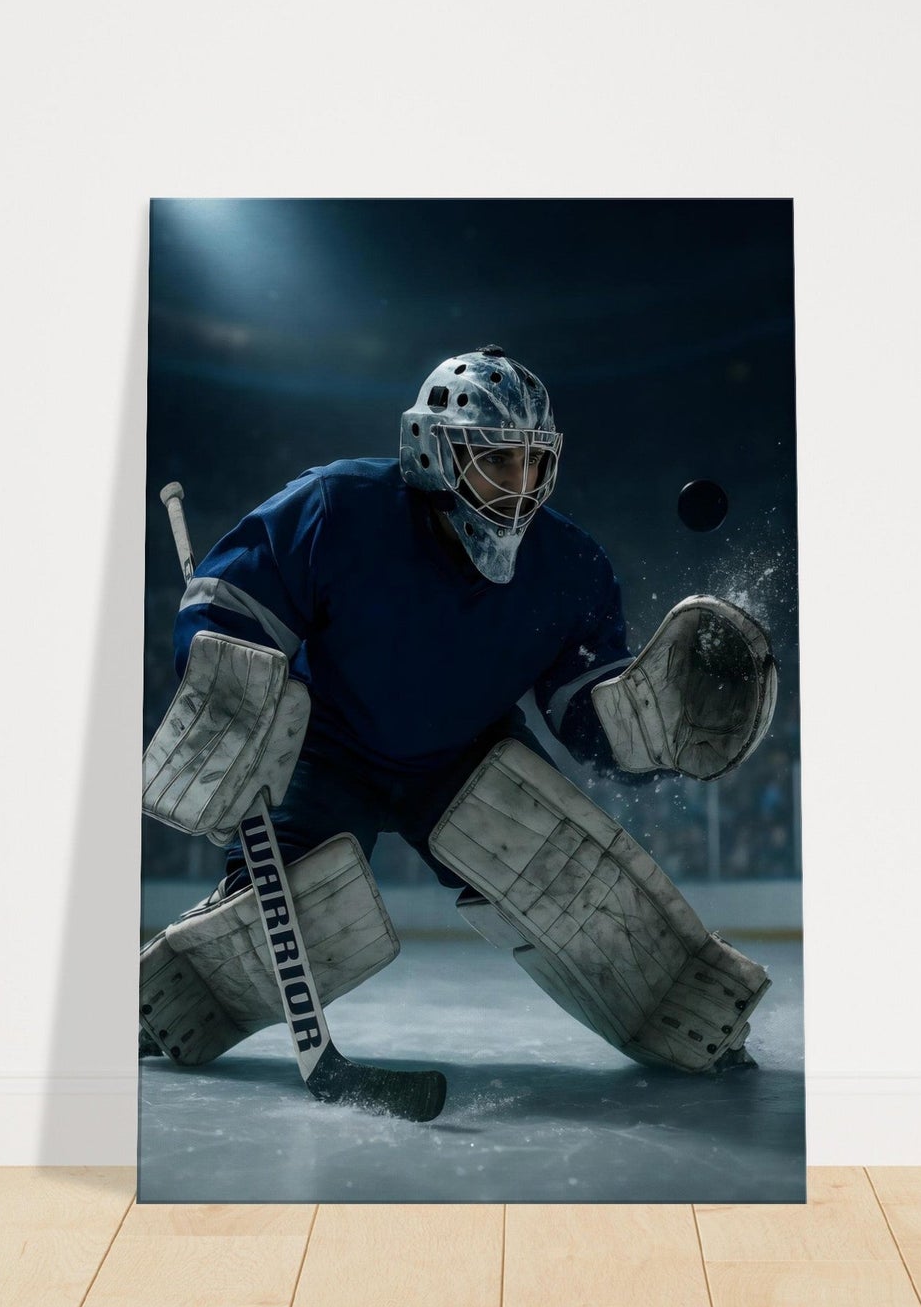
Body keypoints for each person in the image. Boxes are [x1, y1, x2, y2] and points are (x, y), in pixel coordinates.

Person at [139, 346, 778, 1076]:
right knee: (275, 920)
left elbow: (582, 708)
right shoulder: (337, 507)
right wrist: (233, 687)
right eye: (499, 460)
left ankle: (687, 1019)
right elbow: (231, 602)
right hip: (326, 745)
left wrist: (647, 720)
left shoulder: (571, 565)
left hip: (465, 755)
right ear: (432, 450)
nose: (523, 484)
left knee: (577, 889)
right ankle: (161, 1007)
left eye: (535, 462)